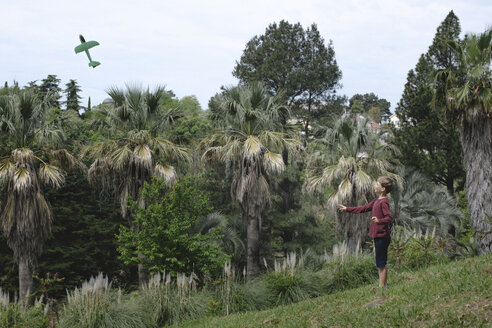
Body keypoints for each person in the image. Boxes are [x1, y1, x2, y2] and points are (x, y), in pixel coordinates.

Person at [337, 176, 394, 289]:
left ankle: (382, 286)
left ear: (383, 189)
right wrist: (347, 209)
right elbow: (363, 208)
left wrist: (379, 221)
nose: (375, 186)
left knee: (381, 261)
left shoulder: (384, 202)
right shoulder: (376, 201)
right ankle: (382, 285)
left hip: (382, 236)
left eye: (377, 184)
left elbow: (389, 218)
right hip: (378, 235)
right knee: (380, 261)